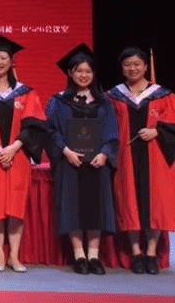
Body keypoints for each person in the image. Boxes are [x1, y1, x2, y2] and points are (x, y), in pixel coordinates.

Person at [107, 46, 175, 275]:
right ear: (122, 68)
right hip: (125, 158)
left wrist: (157, 132)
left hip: (157, 158)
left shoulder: (164, 95)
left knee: (156, 203)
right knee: (128, 203)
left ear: (145, 66)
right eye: (127, 65)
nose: (132, 68)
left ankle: (151, 253)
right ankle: (136, 252)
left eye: (136, 64)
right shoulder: (113, 96)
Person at [0, 34, 46, 272]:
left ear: (12, 61)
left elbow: (33, 124)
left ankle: (14, 256)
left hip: (19, 155)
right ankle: (0, 255)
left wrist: (14, 147)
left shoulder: (27, 92)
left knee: (16, 205)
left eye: (3, 58)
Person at [45, 44, 119, 275]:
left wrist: (104, 153)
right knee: (73, 206)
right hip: (70, 162)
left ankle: (94, 255)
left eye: (88, 71)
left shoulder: (104, 102)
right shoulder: (58, 101)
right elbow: (50, 130)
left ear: (93, 74)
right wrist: (65, 150)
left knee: (96, 206)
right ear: (70, 73)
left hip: (97, 163)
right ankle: (79, 254)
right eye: (79, 71)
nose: (83, 75)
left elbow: (111, 131)